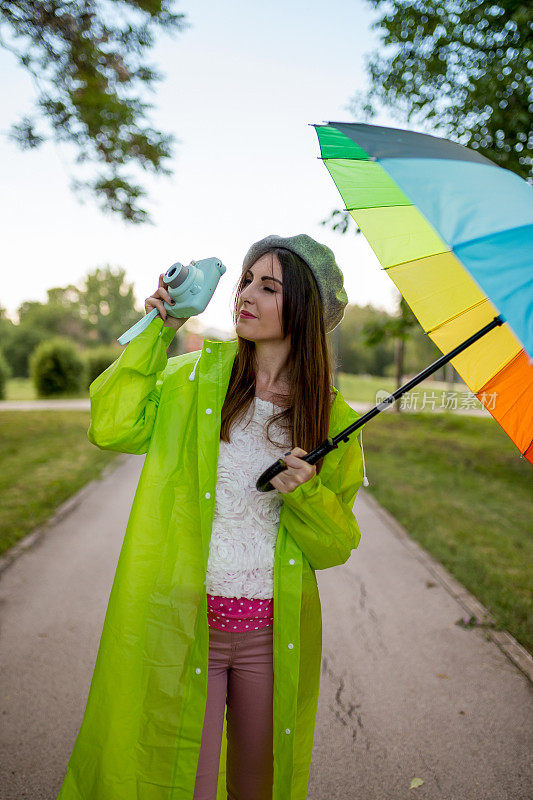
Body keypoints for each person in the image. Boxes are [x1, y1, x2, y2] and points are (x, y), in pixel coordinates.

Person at [55, 233, 367, 800]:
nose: (244, 293)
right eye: (246, 279)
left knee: (258, 786)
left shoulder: (333, 422)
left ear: (304, 309)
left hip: (271, 637)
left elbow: (334, 546)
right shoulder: (194, 382)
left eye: (267, 286)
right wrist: (158, 332)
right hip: (184, 624)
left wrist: (306, 493)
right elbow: (112, 426)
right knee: (179, 784)